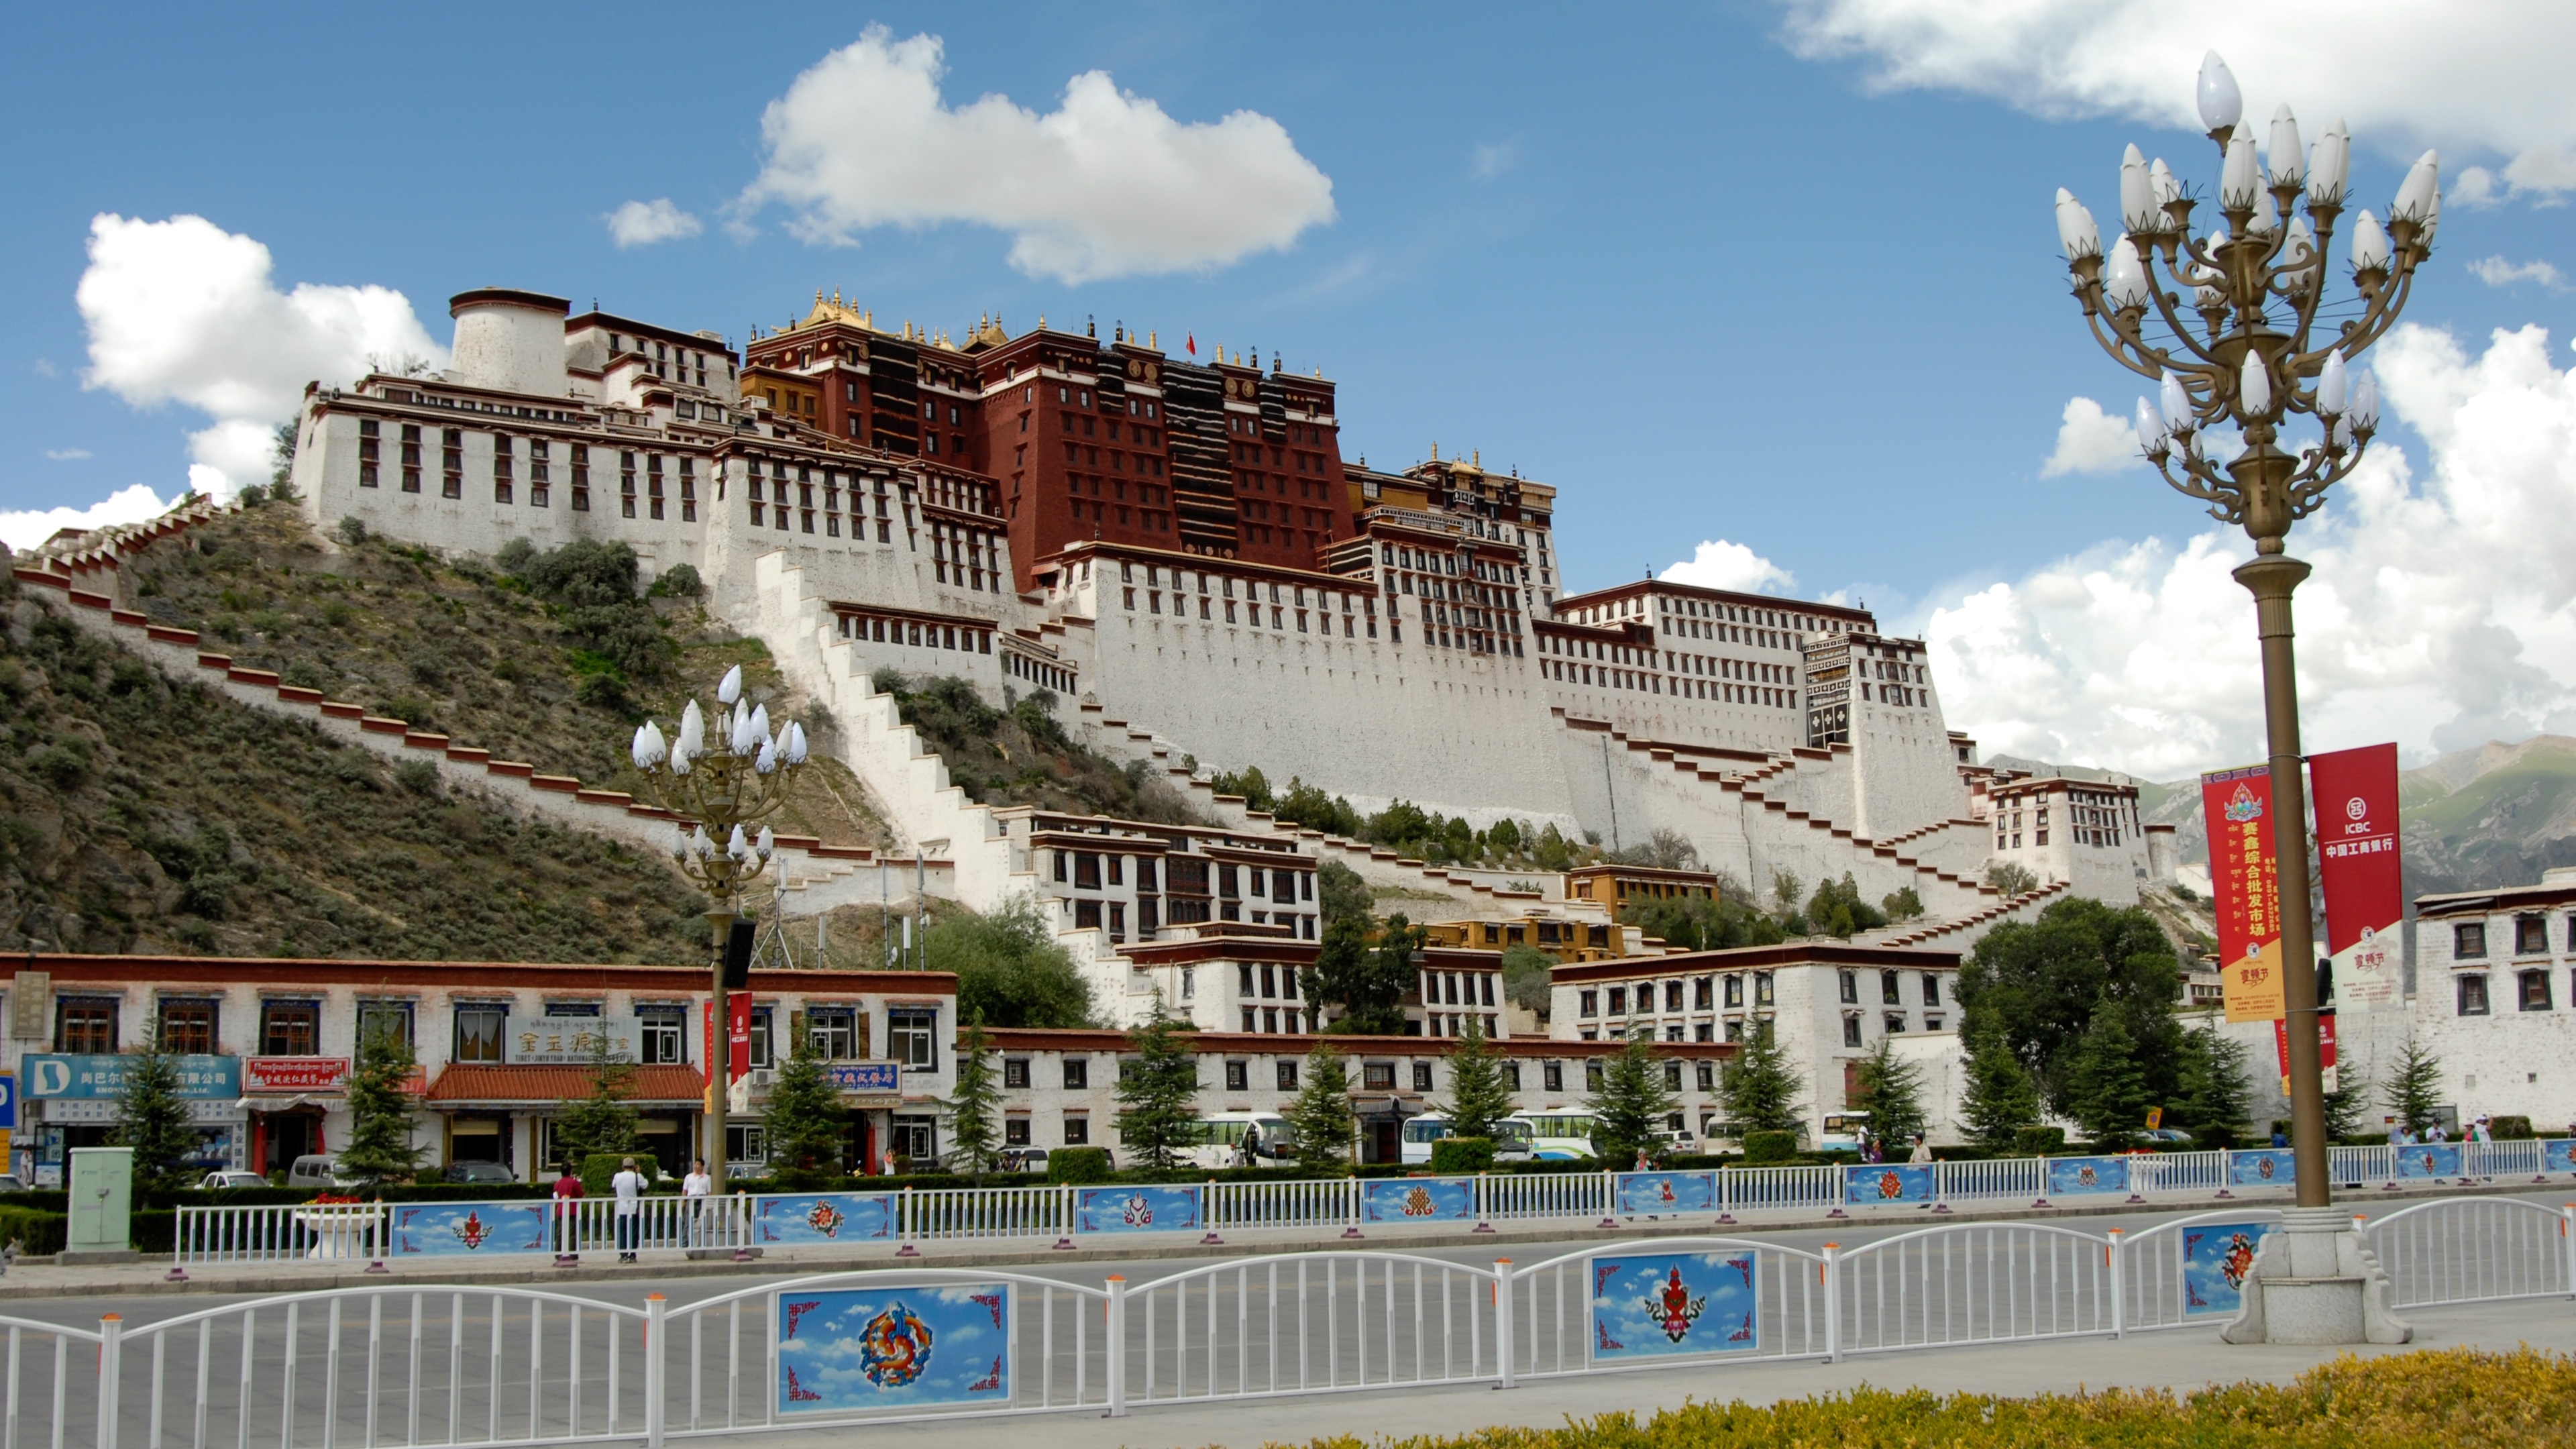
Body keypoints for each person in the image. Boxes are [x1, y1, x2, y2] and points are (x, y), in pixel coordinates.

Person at [610, 1157, 646, 1263]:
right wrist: (639, 1173)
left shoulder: (617, 1176)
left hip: (621, 1207)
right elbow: (645, 1185)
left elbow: (613, 1185)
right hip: (633, 1207)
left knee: (623, 1232)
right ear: (634, 1167)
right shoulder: (637, 1176)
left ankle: (623, 1254)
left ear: (623, 1166)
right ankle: (633, 1254)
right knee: (634, 1231)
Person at [550, 1166, 585, 1265]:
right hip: (572, 1210)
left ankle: (558, 1253)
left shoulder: (558, 1183)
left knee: (560, 1233)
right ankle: (572, 1254)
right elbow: (580, 1194)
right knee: (571, 1233)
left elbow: (555, 1195)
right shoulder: (574, 1182)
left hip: (560, 1210)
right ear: (570, 1171)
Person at [682, 1158, 714, 1248]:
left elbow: (709, 1192)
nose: (696, 1166)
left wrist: (709, 1203)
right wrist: (683, 1201)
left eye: (698, 1164)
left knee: (702, 1221)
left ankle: (701, 1241)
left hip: (702, 1200)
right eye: (695, 1164)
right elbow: (685, 1190)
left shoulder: (707, 1178)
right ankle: (684, 1242)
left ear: (702, 1166)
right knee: (688, 1222)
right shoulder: (689, 1177)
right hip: (691, 1199)